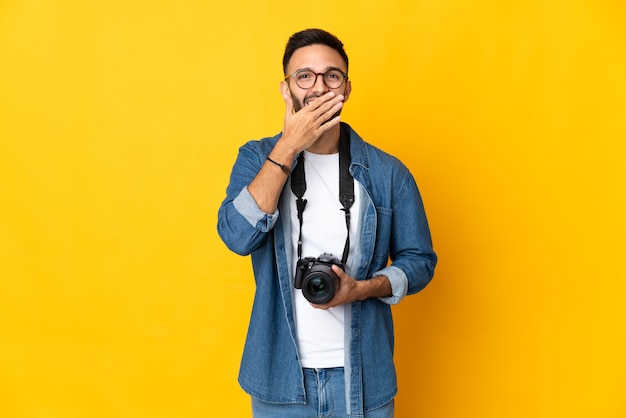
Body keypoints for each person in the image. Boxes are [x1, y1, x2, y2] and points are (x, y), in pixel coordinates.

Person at [217, 28, 437, 418]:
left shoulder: (388, 174)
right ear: (287, 89)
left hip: (364, 379)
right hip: (279, 381)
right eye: (304, 76)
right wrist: (288, 145)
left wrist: (363, 288)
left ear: (347, 88)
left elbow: (420, 261)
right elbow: (237, 235)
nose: (318, 87)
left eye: (331, 76)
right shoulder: (256, 158)